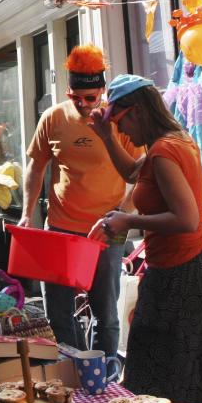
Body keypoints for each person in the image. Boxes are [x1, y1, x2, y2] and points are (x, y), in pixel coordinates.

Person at [86, 75, 202, 403]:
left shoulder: (163, 152)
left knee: (155, 377)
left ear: (140, 111)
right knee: (197, 377)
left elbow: (187, 218)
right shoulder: (175, 141)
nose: (123, 131)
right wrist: (106, 136)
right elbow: (132, 170)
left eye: (122, 121)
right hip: (194, 270)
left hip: (178, 276)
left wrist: (127, 219)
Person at [20, 44, 140, 357]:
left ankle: (103, 380)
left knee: (106, 316)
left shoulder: (120, 122)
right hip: (60, 228)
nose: (84, 105)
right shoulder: (53, 118)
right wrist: (26, 213)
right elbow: (36, 168)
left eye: (91, 98)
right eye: (77, 98)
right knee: (57, 315)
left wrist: (122, 214)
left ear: (103, 91)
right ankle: (71, 377)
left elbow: (142, 175)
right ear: (68, 91)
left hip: (107, 232)